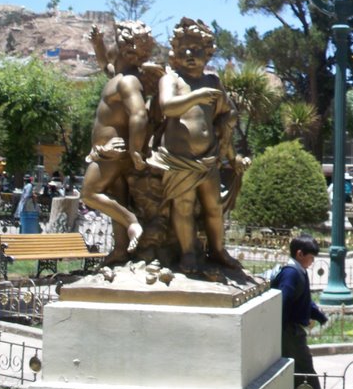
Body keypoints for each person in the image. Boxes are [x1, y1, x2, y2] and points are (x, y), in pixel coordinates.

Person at [147, 17, 246, 273]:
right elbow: (168, 107)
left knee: (214, 207)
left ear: (209, 52)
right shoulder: (171, 80)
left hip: (208, 158)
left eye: (197, 50)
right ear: (176, 54)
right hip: (178, 158)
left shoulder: (212, 82)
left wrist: (230, 151)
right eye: (184, 50)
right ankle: (188, 253)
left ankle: (218, 250)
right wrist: (197, 97)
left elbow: (228, 114)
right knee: (183, 206)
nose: (190, 55)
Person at [82, 20, 156, 264]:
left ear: (126, 48)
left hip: (112, 152)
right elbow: (106, 65)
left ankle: (132, 223)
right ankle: (121, 249)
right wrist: (98, 44)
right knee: (118, 198)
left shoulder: (128, 81)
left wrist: (135, 150)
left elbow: (139, 114)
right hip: (109, 150)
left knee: (90, 194)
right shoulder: (119, 75)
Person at [272, 235, 330, 389]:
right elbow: (283, 300)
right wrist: (282, 329)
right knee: (303, 369)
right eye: (310, 257)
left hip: (292, 330)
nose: (312, 262)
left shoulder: (300, 271)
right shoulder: (291, 273)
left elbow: (304, 301)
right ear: (299, 254)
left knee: (303, 368)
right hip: (289, 332)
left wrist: (319, 316)